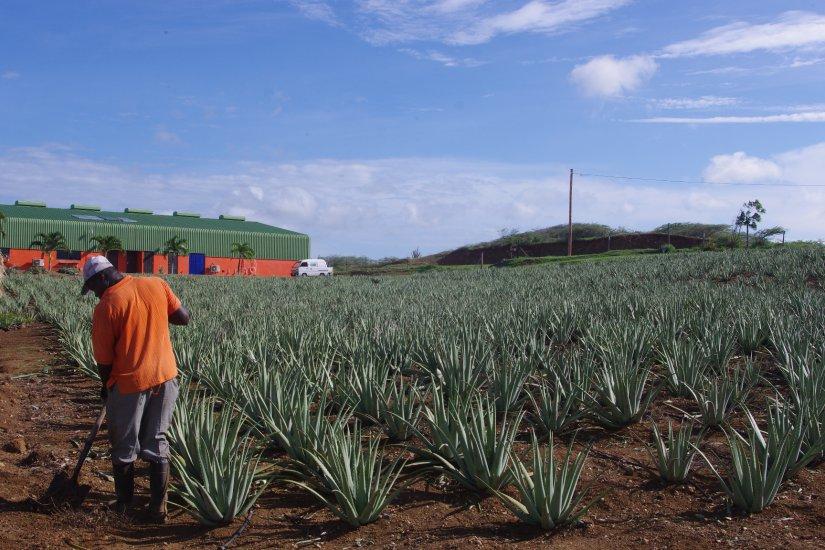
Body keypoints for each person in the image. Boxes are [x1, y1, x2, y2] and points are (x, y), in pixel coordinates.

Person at [81, 255, 190, 523]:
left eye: (94, 287)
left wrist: (107, 388)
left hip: (130, 383)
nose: (95, 294)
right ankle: (158, 509)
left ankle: (125, 505)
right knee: (157, 441)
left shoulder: (107, 306)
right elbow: (183, 318)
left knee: (124, 446)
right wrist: (151, 316)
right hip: (166, 377)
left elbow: (104, 362)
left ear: (103, 278)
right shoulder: (156, 284)